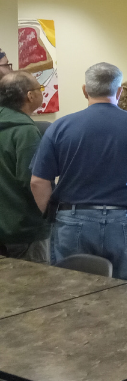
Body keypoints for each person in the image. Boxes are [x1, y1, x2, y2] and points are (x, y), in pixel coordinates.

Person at [29, 62, 127, 283]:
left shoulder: (60, 127)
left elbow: (38, 181)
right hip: (126, 219)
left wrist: (54, 216)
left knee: (72, 293)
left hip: (72, 220)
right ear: (119, 91)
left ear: (85, 90)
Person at [0, 71, 48, 262]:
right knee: (37, 287)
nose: (41, 92)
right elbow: (32, 182)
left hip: (3, 229)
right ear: (30, 96)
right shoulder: (26, 132)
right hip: (25, 231)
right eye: (40, 88)